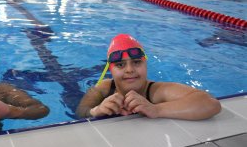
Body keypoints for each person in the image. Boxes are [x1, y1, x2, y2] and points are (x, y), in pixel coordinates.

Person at [76, 34, 221, 120]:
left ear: (145, 64)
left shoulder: (156, 91)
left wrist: (156, 109)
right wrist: (96, 110)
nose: (130, 70)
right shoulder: (104, 88)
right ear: (110, 71)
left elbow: (210, 103)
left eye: (137, 62)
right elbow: (80, 112)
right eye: (120, 65)